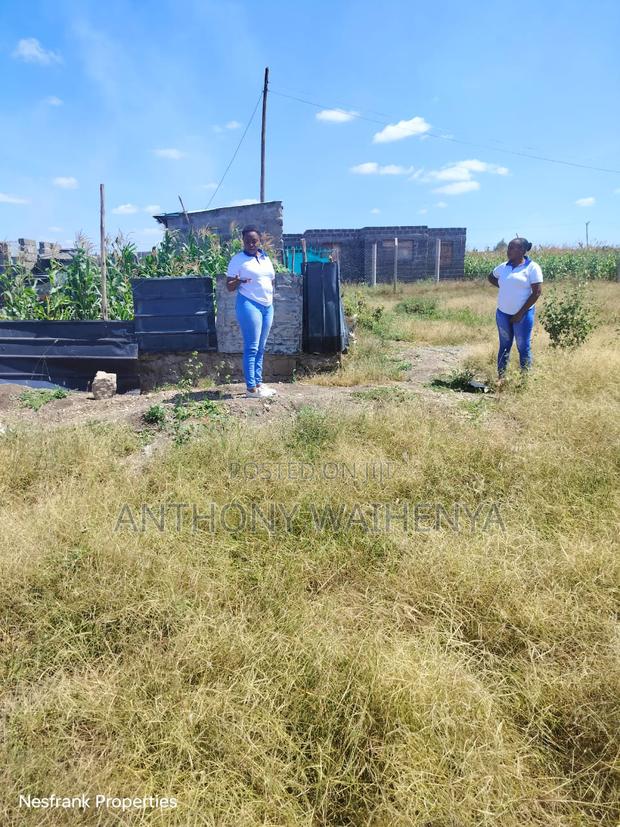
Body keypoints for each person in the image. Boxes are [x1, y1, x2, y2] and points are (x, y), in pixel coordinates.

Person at [226, 225, 277, 398]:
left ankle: (258, 383)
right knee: (252, 347)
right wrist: (239, 280)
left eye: (254, 240)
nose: (251, 244)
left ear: (260, 240)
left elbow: (271, 279)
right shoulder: (238, 260)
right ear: (243, 241)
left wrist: (270, 296)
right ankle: (250, 389)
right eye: (247, 241)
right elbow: (229, 286)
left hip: (267, 306)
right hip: (249, 304)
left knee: (261, 347)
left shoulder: (265, 258)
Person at [488, 237, 543, 378]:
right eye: (509, 247)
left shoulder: (532, 267)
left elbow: (537, 292)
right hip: (502, 313)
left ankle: (525, 380)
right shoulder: (504, 266)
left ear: (523, 250)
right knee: (504, 345)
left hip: (523, 316)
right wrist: (505, 287)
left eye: (513, 248)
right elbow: (491, 277)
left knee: (522, 347)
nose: (509, 251)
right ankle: (501, 377)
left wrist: (520, 313)